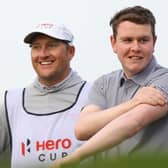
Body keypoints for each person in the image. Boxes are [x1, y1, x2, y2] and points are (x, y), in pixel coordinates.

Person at [51, 5, 168, 168]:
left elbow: (133, 122)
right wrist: (133, 103)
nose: (135, 47)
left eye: (143, 40)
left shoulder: (165, 79)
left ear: (154, 42)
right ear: (113, 43)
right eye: (127, 40)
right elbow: (83, 129)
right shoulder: (104, 83)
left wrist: (74, 158)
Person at [0, 22, 93, 168]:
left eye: (52, 45)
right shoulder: (10, 103)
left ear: (71, 52)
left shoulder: (95, 95)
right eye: (36, 47)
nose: (43, 54)